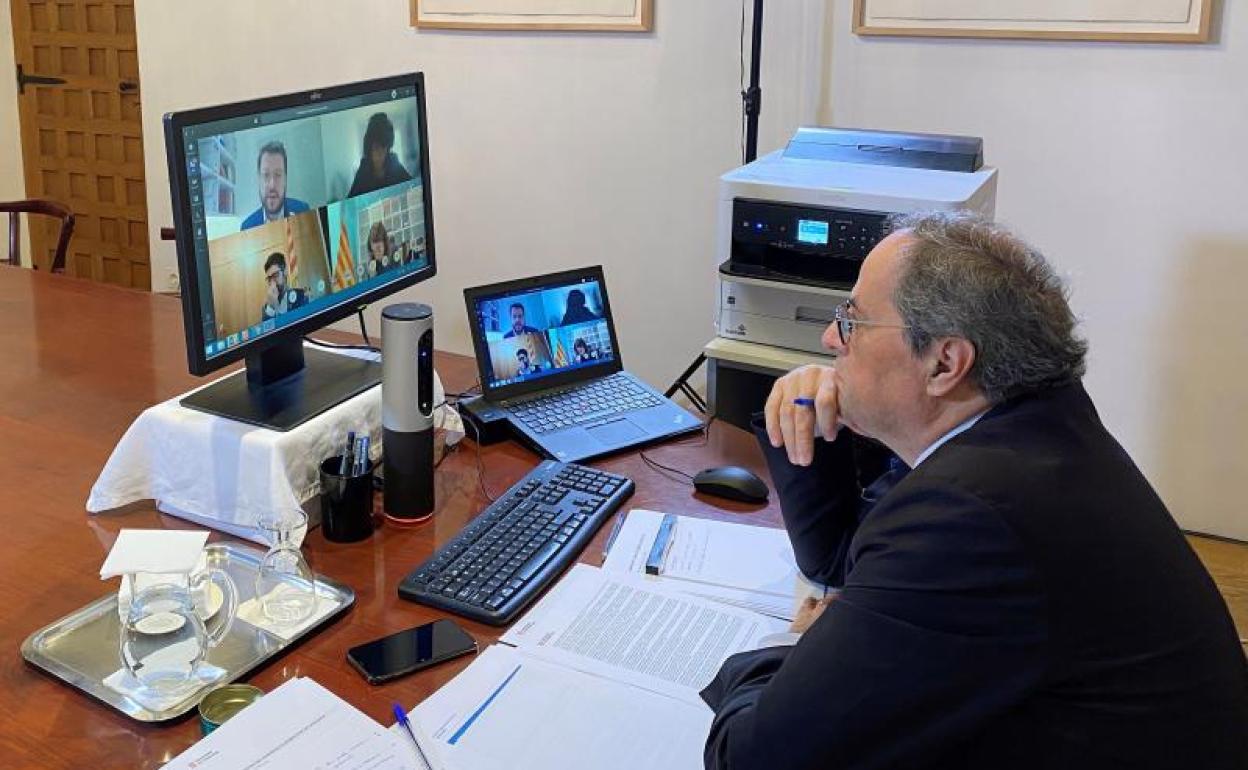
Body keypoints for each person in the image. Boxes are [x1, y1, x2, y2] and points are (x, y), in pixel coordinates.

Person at [700, 211, 1248, 770]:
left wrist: (794, 653)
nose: (828, 338)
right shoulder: (1031, 431)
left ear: (945, 363)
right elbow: (841, 562)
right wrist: (819, 425)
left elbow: (754, 757)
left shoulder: (971, 510)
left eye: (852, 320)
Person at [240, 141, 310, 231]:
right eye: (266, 175)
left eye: (278, 174)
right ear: (258, 179)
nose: (272, 185)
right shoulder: (247, 227)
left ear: (285, 179)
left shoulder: (303, 211)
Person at [347, 112, 412, 198]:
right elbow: (351, 199)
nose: (380, 153)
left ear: (388, 147)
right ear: (369, 147)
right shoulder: (364, 167)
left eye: (384, 146)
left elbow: (412, 187)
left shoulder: (394, 162)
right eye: (376, 147)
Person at [260, 252, 307, 320]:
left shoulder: (301, 296)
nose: (273, 283)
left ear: (285, 271)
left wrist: (276, 306)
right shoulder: (267, 308)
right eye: (269, 278)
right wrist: (271, 307)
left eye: (275, 275)